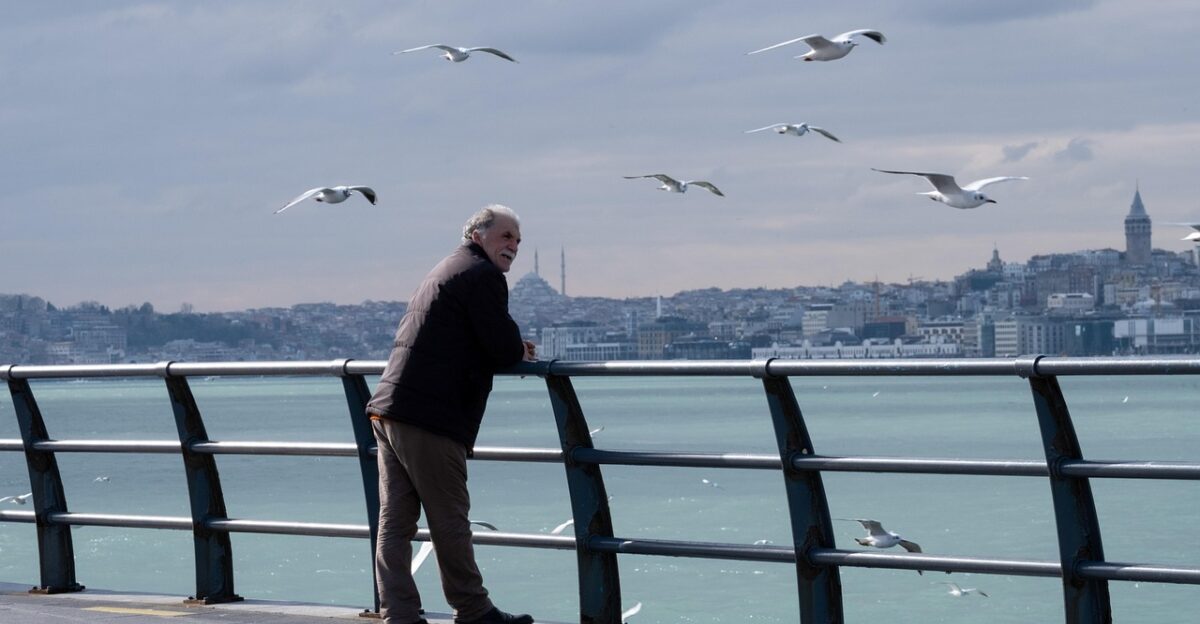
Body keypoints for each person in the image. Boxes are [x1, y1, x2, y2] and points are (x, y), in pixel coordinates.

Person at [366, 204, 537, 624]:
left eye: (518, 239)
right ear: (478, 235)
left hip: (391, 407)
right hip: (429, 413)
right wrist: (520, 350)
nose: (513, 245)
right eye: (506, 236)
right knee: (449, 517)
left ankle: (399, 613)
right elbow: (498, 342)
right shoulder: (482, 276)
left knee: (396, 520)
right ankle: (473, 609)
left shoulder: (446, 268)